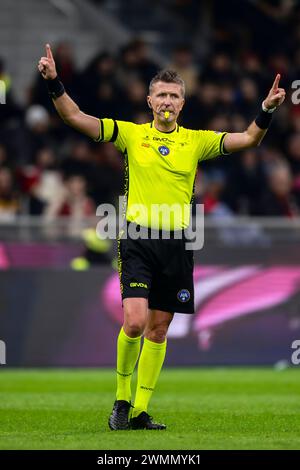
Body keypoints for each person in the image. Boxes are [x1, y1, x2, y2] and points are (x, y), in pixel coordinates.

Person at [38, 44, 285, 430]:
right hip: (137, 238)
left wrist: (266, 109)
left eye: (174, 96)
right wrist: (54, 83)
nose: (167, 101)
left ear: (182, 104)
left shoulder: (197, 141)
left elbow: (248, 139)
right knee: (134, 322)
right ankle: (121, 401)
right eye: (162, 95)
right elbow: (75, 117)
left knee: (158, 328)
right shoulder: (131, 135)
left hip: (177, 244)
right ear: (149, 101)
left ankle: (140, 410)